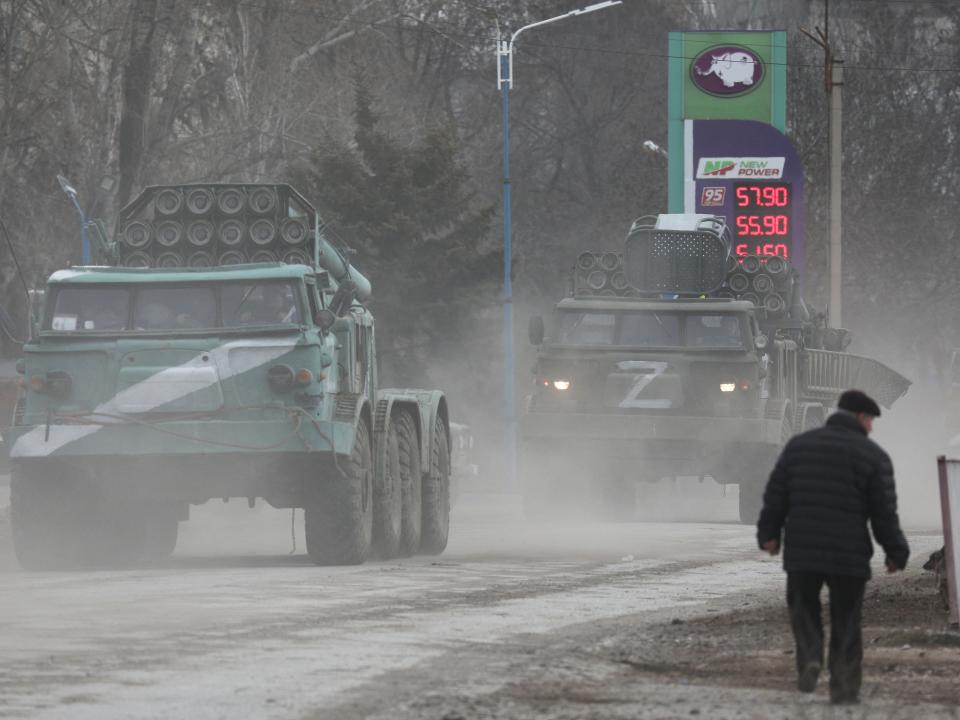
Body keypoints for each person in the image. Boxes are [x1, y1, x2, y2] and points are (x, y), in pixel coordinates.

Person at [756, 389, 910, 705]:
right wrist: (896, 552)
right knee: (847, 619)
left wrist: (769, 535)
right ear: (861, 418)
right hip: (849, 555)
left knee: (803, 609)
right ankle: (843, 688)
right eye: (870, 422)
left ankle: (812, 656)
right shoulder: (874, 457)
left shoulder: (798, 447)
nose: (871, 429)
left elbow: (776, 496)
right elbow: (884, 513)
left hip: (803, 552)